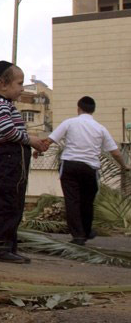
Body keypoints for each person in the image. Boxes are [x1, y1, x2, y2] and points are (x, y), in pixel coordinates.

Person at [0, 61, 50, 263]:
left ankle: (8, 246)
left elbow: (15, 133)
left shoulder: (7, 106)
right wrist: (31, 140)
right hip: (8, 157)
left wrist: (32, 144)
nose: (22, 88)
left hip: (16, 156)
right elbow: (8, 132)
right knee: (6, 201)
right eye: (19, 83)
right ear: (3, 84)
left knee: (15, 203)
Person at [46, 96, 130, 245]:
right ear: (93, 110)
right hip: (89, 168)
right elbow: (115, 152)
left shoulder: (69, 123)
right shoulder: (100, 128)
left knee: (72, 201)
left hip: (70, 166)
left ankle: (78, 235)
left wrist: (38, 149)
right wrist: (124, 166)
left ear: (78, 109)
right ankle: (86, 231)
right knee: (87, 201)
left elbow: (50, 140)